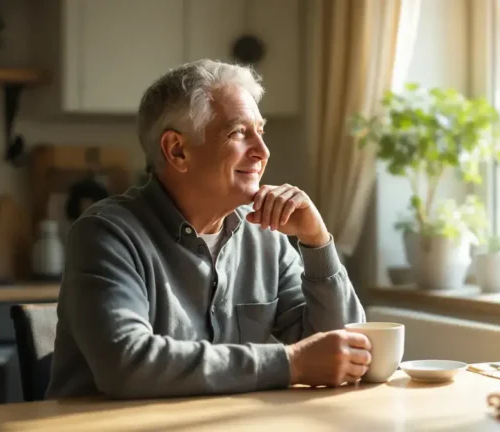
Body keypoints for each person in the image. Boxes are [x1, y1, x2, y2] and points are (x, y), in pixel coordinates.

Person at [46, 59, 370, 400]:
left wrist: (316, 241)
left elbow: (343, 350)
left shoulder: (264, 234)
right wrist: (290, 363)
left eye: (260, 131)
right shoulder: (106, 234)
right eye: (238, 133)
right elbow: (126, 364)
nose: (263, 151)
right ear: (177, 151)